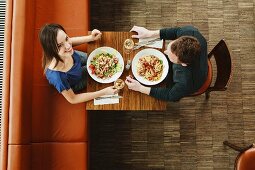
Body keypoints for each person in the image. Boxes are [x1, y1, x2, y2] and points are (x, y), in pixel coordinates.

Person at [39, 23, 118, 104]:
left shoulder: (66, 49)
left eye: (66, 38)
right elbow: (73, 99)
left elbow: (69, 42)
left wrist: (90, 38)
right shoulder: (58, 77)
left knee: (100, 60)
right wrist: (103, 92)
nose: (68, 46)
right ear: (51, 50)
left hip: (77, 58)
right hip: (77, 79)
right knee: (103, 74)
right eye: (59, 45)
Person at [125, 25, 208, 101]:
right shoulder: (190, 32)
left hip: (189, 81)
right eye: (169, 48)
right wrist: (149, 34)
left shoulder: (186, 82)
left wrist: (140, 88)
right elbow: (176, 31)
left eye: (170, 55)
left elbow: (170, 95)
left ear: (183, 64)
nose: (165, 51)